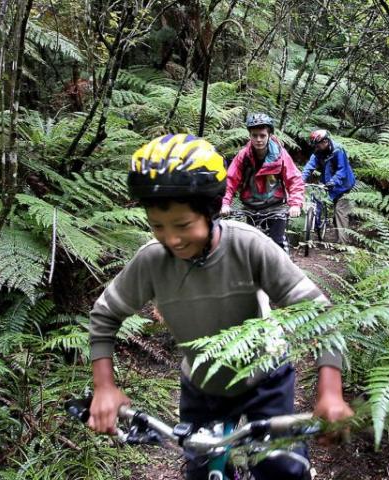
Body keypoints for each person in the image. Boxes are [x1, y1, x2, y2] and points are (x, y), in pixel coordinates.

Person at [87, 134, 353, 480]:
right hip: (202, 387)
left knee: (283, 470)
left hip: (265, 379)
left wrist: (330, 392)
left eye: (183, 225)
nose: (172, 238)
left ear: (211, 211)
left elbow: (320, 314)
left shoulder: (249, 247)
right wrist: (104, 387)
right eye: (157, 226)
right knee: (200, 472)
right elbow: (104, 316)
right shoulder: (151, 261)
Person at [220, 113, 305, 252]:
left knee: (277, 246)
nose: (258, 139)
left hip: (275, 207)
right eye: (254, 135)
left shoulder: (280, 155)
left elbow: (294, 179)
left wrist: (295, 204)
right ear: (250, 135)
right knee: (250, 247)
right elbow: (230, 180)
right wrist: (225, 203)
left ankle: (280, 271)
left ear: (269, 135)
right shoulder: (243, 156)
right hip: (251, 208)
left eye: (262, 135)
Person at [301, 129, 356, 244]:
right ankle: (316, 225)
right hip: (328, 182)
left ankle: (343, 244)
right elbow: (309, 167)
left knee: (340, 212)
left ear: (325, 141)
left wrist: (333, 182)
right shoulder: (318, 152)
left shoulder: (338, 150)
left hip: (343, 185)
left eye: (318, 144)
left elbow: (342, 170)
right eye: (315, 145)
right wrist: (300, 180)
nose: (317, 147)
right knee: (316, 198)